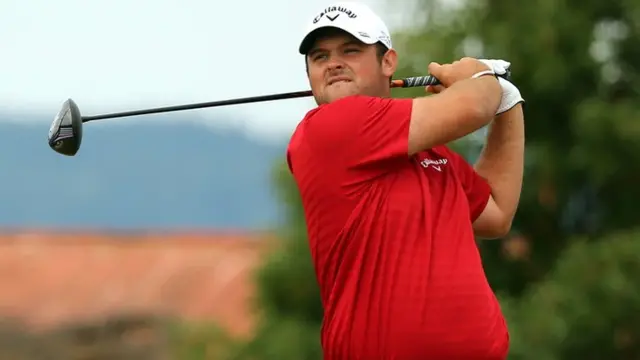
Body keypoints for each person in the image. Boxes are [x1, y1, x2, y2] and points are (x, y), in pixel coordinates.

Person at [286, 2, 525, 359]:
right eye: (320, 57)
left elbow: (497, 213)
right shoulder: (330, 127)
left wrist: (507, 102)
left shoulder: (433, 154)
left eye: (350, 50)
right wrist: (480, 75)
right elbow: (474, 106)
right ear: (310, 78)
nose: (333, 62)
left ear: (388, 63)